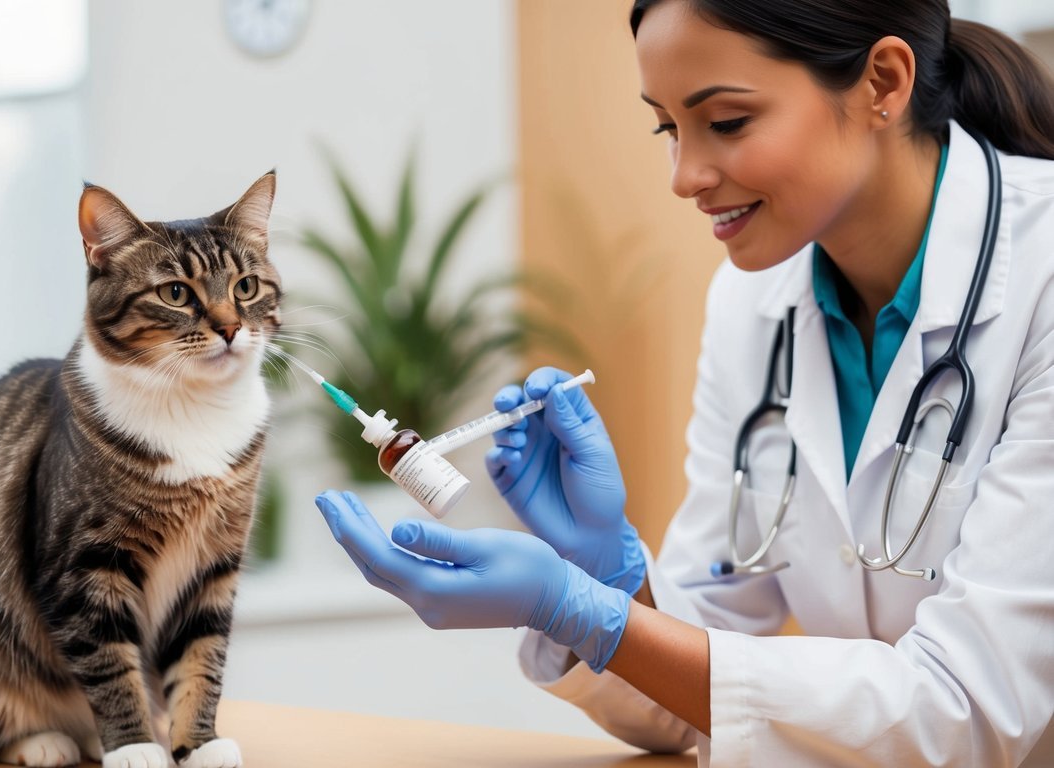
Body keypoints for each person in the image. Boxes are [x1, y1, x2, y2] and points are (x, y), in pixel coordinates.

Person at [313, 0, 1054, 765]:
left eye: (725, 122)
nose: (684, 176)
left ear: (882, 81)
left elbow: (962, 713)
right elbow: (696, 699)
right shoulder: (751, 303)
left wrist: (588, 615)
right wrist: (611, 582)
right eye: (668, 127)